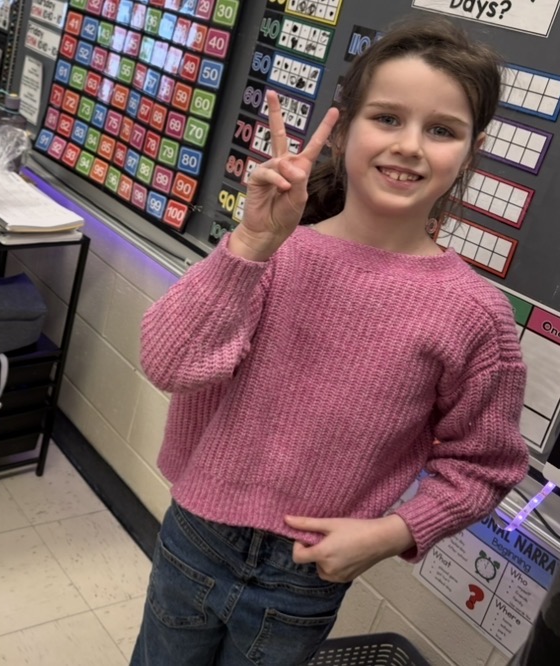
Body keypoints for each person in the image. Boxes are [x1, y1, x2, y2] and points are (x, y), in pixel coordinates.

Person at [132, 18, 528, 665]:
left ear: (470, 150)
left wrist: (394, 532)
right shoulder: (274, 254)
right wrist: (249, 244)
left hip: (306, 569)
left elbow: (485, 464)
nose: (409, 146)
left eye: (441, 130)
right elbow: (169, 362)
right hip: (196, 534)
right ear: (343, 129)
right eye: (387, 118)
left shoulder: (474, 314)